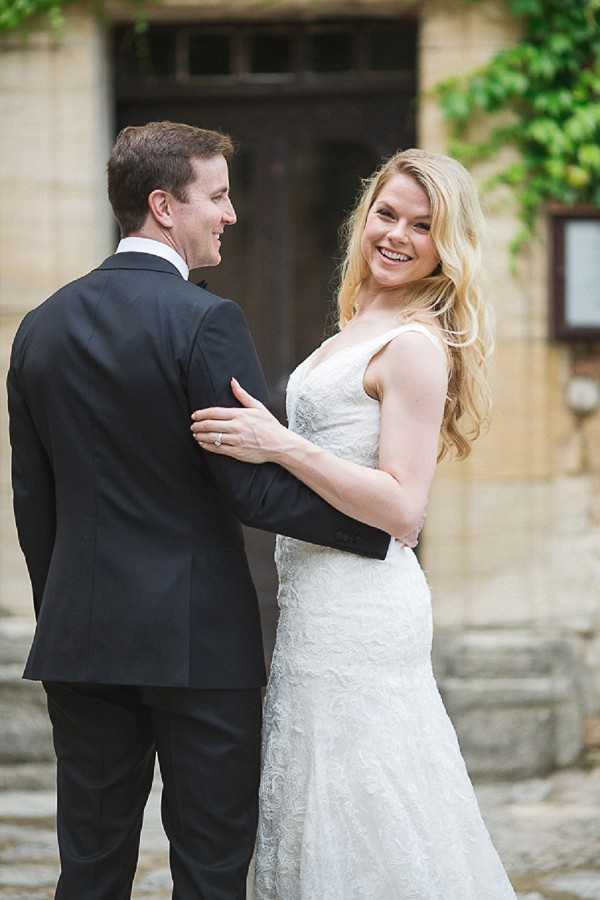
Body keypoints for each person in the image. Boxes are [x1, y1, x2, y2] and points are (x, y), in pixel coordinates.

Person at [6, 121, 404, 900]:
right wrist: (375, 526)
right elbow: (248, 485)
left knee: (88, 868)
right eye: (217, 196)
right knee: (212, 870)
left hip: (80, 642)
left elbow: (33, 499)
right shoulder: (204, 321)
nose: (230, 214)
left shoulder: (40, 326)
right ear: (163, 205)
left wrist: (65, 609)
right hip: (197, 645)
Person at [191, 148, 517, 899]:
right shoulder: (361, 319)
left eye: (423, 226)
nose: (397, 235)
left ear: (448, 245)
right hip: (315, 599)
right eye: (387, 213)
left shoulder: (414, 345)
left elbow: (405, 509)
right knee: (317, 799)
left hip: (364, 606)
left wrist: (281, 444)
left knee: (371, 799)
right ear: (365, 215)